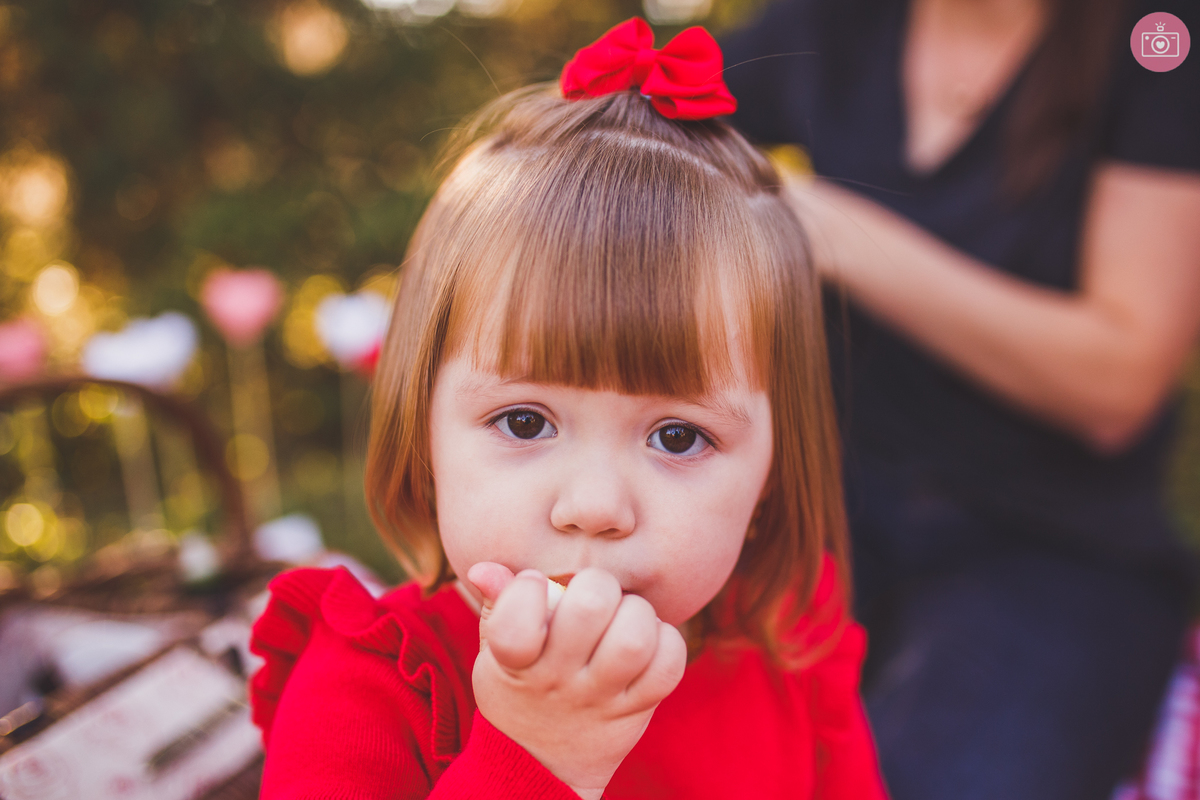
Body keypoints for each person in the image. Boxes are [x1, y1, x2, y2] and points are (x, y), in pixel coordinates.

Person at [247, 19, 888, 800]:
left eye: (679, 435)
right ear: (424, 433)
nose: (594, 508)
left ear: (771, 479)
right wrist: (538, 755)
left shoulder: (790, 644)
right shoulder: (368, 690)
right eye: (525, 422)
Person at [721, 0, 1200, 798]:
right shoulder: (825, 23)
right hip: (821, 522)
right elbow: (619, 129)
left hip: (1056, 548)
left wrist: (847, 239)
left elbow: (1121, 383)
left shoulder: (1162, 41)